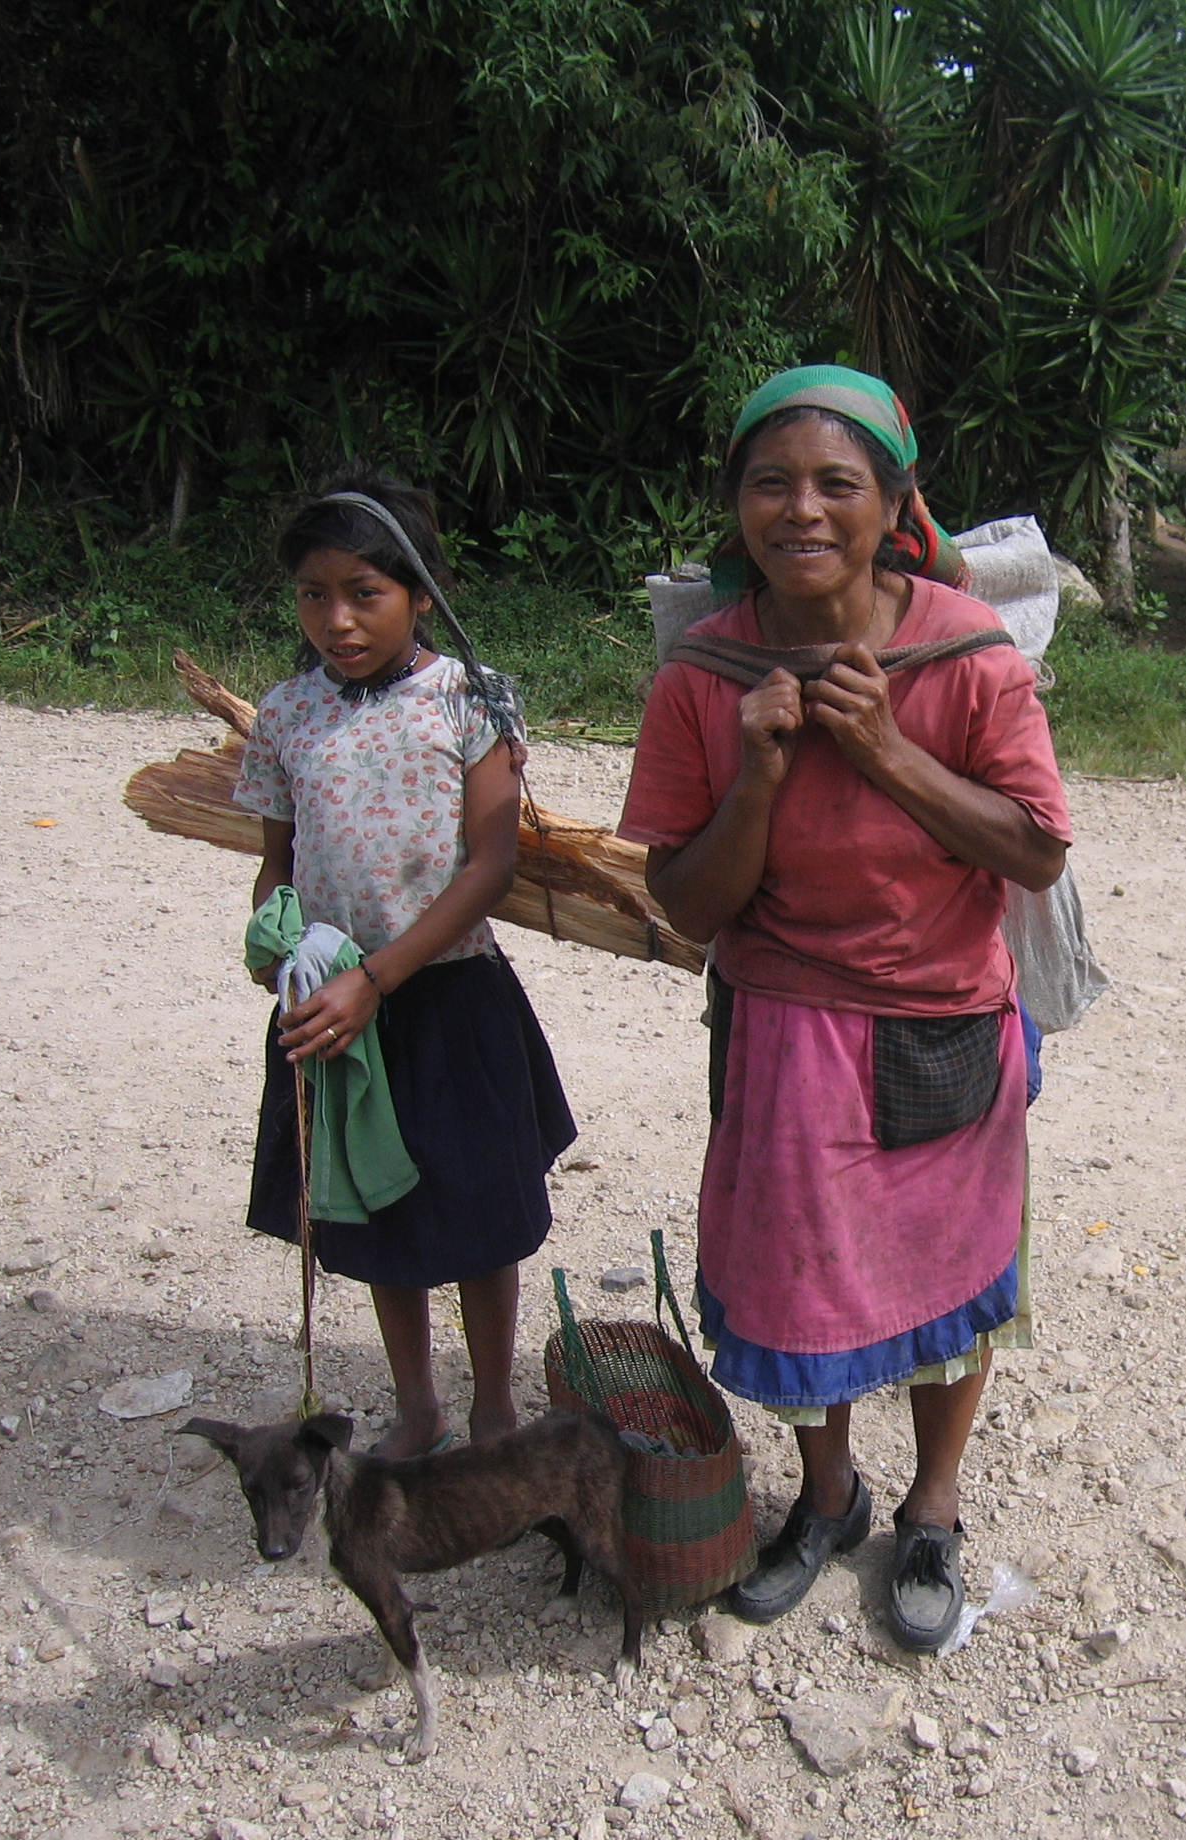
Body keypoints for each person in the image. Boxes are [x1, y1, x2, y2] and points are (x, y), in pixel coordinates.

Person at [618, 367, 1071, 1650]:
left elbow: (1035, 850)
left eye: (837, 484)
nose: (802, 510)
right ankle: (827, 1498)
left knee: (952, 1275)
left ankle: (932, 1508)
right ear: (735, 506)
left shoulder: (966, 656)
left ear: (895, 504)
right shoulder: (704, 678)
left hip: (943, 1019)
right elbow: (688, 908)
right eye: (772, 483)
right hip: (782, 1027)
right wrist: (757, 778)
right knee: (798, 1280)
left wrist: (885, 750)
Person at [236, 468, 575, 1458]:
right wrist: (272, 944)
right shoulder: (287, 715)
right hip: (334, 1007)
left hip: (448, 994)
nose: (336, 619)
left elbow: (490, 866)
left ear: (421, 593)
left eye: (364, 593)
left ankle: (493, 1410)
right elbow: (276, 864)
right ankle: (419, 1406)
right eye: (314, 594)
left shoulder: (471, 700)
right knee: (382, 1213)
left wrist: (377, 977)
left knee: (480, 1216)